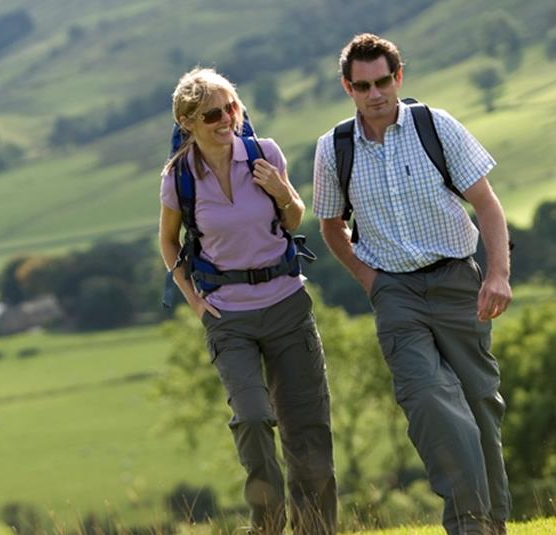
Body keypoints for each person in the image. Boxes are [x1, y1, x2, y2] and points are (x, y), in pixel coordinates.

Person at [312, 34, 512, 535]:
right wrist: (370, 280)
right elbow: (331, 226)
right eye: (363, 86)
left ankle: (494, 523)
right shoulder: (333, 148)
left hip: (457, 283)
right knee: (429, 402)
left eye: (382, 81)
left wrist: (497, 274)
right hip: (395, 293)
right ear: (347, 88)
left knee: (479, 405)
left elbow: (486, 203)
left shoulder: (436, 127)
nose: (375, 94)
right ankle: (468, 524)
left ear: (398, 77)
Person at [158, 67, 337, 535]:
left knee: (308, 432)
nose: (226, 119)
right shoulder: (179, 177)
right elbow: (168, 243)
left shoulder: (264, 153)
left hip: (287, 304)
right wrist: (196, 304)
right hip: (229, 317)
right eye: (212, 113)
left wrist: (282, 190)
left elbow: (295, 218)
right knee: (254, 419)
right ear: (188, 122)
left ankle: (316, 529)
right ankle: (268, 524)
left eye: (231, 108)